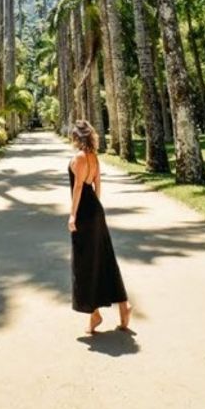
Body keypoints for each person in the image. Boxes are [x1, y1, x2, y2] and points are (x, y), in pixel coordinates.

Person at [67, 118, 132, 335]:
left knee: (84, 263)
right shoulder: (94, 157)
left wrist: (73, 215)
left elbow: (78, 188)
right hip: (96, 209)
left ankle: (94, 314)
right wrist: (96, 210)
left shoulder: (79, 158)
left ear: (77, 136)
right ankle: (124, 306)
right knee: (106, 258)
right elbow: (97, 185)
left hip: (84, 213)